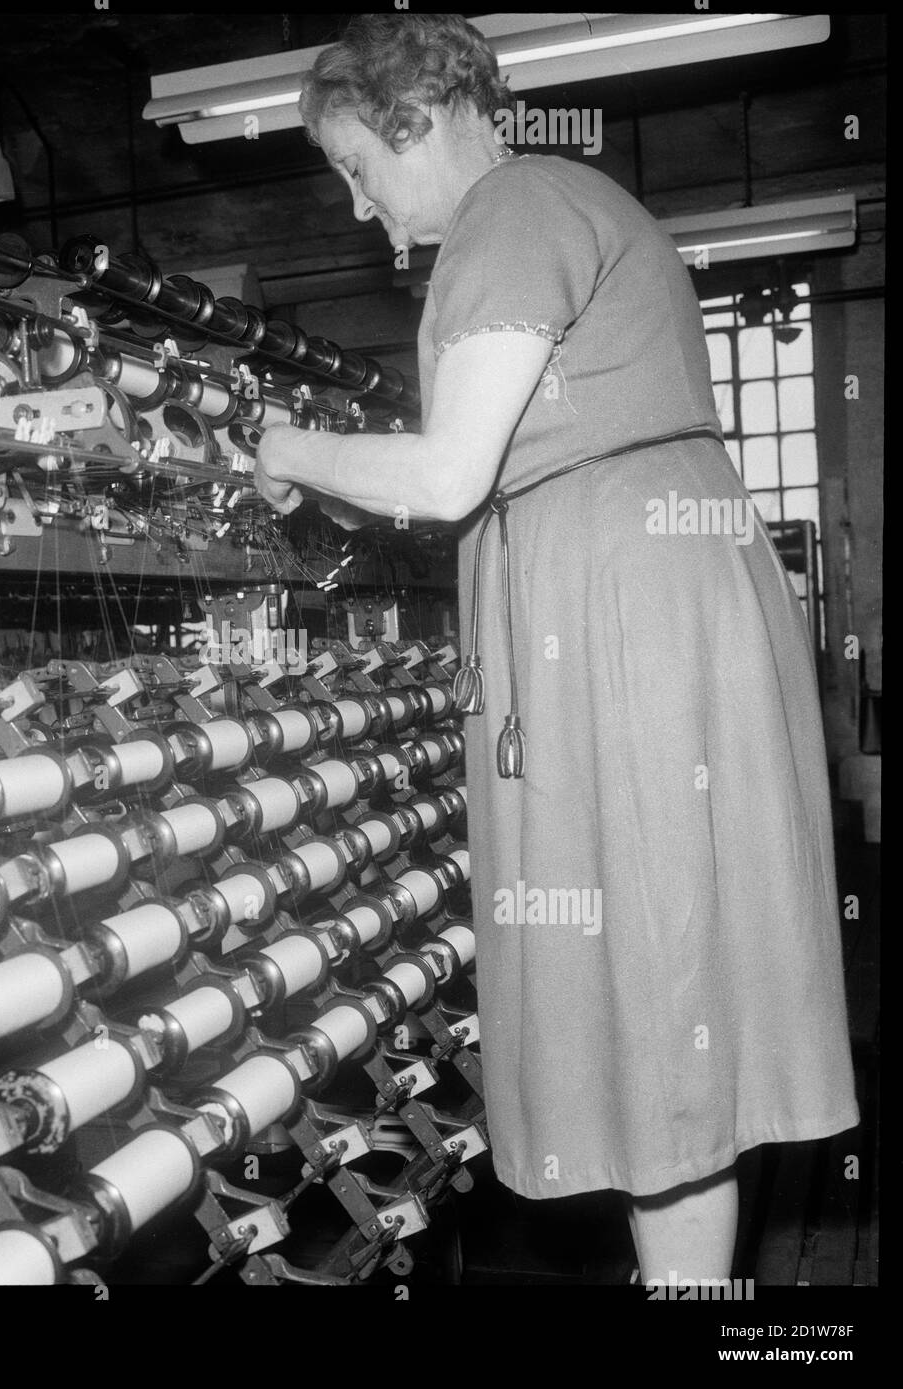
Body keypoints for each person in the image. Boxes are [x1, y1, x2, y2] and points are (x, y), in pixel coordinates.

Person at [253, 13, 859, 1284]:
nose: (362, 213)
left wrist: (287, 447)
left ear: (410, 119)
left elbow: (448, 470)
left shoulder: (512, 208)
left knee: (654, 966)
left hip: (624, 624)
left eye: (358, 169)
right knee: (670, 993)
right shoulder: (559, 203)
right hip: (642, 602)